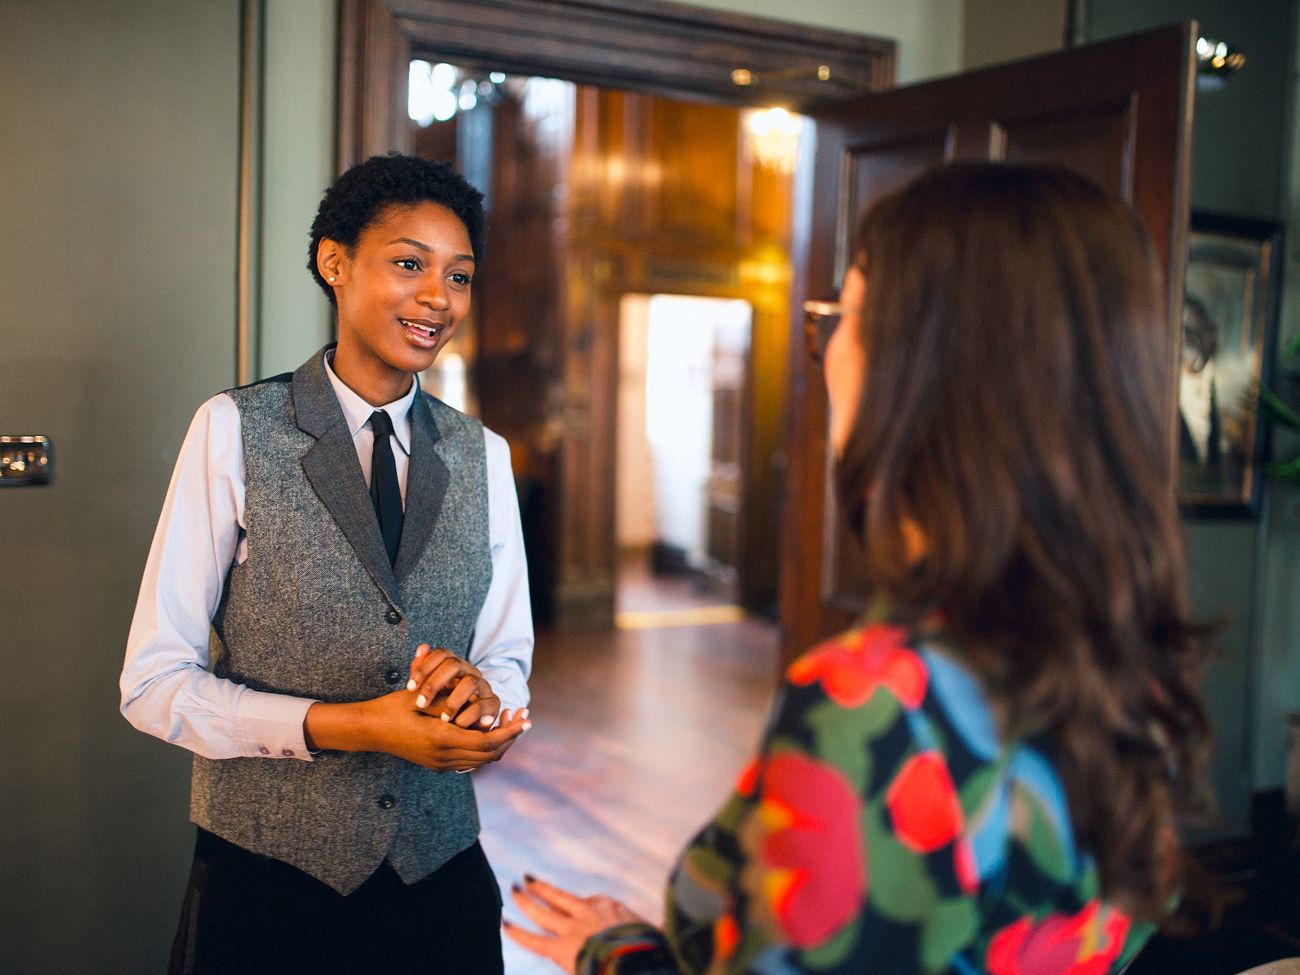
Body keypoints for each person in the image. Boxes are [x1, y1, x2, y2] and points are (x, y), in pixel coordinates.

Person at [504, 162, 1209, 973]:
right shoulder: (1132, 654)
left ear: (932, 365)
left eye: (847, 309)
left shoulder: (878, 702)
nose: (827, 346)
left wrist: (623, 957)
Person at [120, 153, 534, 974]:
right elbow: (152, 684)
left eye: (459, 275)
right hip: (270, 889)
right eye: (409, 263)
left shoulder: (484, 455)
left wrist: (489, 704)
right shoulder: (234, 429)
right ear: (334, 262)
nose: (437, 297)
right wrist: (344, 725)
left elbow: (509, 658)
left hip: (442, 882)